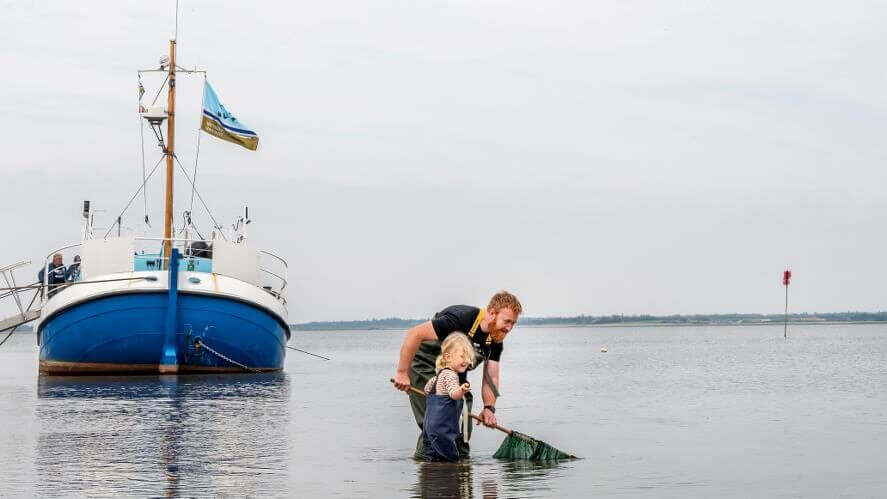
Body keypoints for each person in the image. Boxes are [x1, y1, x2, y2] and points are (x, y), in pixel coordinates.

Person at [393, 290, 522, 459]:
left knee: (462, 425)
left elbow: (491, 377)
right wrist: (402, 372)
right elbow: (414, 334)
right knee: (437, 424)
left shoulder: (495, 340)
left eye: (513, 323)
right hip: (425, 367)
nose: (509, 328)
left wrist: (489, 408)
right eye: (507, 321)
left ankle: (460, 470)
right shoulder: (461, 318)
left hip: (455, 374)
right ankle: (429, 471)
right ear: (492, 313)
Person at [422, 332, 475, 461]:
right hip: (442, 429)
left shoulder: (438, 376)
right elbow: (454, 395)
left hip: (429, 427)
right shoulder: (451, 375)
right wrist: (461, 390)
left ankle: (434, 479)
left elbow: (426, 390)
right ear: (448, 357)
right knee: (450, 460)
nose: (467, 361)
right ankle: (449, 480)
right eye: (462, 356)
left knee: (433, 459)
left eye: (469, 358)